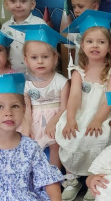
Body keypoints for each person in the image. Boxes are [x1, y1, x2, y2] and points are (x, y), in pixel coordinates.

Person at [0, 73, 75, 201]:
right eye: (0, 107)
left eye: (15, 106)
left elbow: (47, 178)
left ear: (25, 109)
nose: (8, 113)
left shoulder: (30, 146)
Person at [55, 11, 111, 201]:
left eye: (101, 42)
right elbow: (74, 97)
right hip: (80, 113)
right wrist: (71, 118)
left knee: (99, 136)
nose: (95, 45)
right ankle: (72, 179)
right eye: (90, 41)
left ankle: (95, 178)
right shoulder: (79, 72)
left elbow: (110, 99)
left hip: (102, 114)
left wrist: (98, 119)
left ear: (109, 46)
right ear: (82, 45)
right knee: (72, 134)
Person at [10, 25, 70, 169]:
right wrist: (27, 126)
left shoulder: (61, 82)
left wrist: (53, 122)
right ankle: (31, 173)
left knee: (55, 143)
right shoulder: (26, 83)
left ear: (55, 58)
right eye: (34, 57)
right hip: (33, 118)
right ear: (26, 59)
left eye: (45, 57)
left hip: (57, 118)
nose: (40, 61)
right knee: (26, 140)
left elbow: (65, 107)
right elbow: (27, 108)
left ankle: (53, 174)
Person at [1, 0, 46, 72]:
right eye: (13, 1)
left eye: (23, 1)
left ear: (32, 4)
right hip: (12, 73)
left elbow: (48, 50)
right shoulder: (5, 27)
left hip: (35, 73)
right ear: (6, 4)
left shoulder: (39, 24)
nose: (18, 5)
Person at [63, 0, 103, 64]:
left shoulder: (105, 29)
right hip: (80, 70)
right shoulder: (74, 29)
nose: (76, 10)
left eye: (80, 6)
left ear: (95, 6)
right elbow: (70, 49)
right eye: (74, 7)